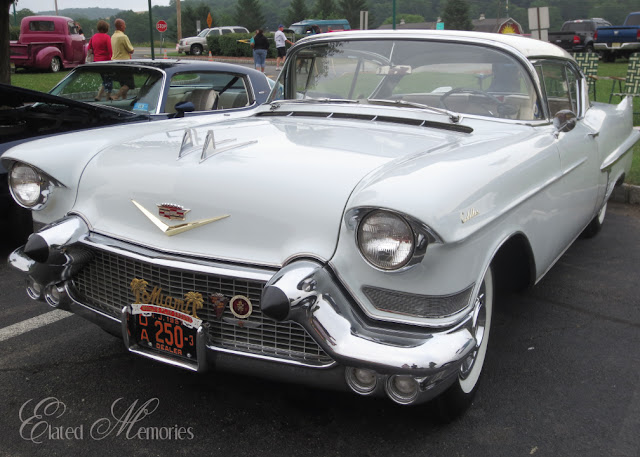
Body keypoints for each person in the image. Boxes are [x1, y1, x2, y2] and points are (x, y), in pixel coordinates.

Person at [88, 20, 113, 101]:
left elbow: (89, 48)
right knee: (109, 80)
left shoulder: (93, 37)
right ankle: (107, 98)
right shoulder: (107, 37)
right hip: (106, 61)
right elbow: (110, 51)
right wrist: (112, 59)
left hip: (96, 61)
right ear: (106, 28)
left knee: (105, 79)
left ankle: (99, 96)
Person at [110, 18, 135, 100]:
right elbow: (131, 50)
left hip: (115, 62)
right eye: (124, 25)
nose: (125, 26)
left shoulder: (113, 36)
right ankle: (116, 96)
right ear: (121, 26)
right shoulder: (123, 37)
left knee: (123, 83)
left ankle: (124, 100)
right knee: (129, 84)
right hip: (124, 63)